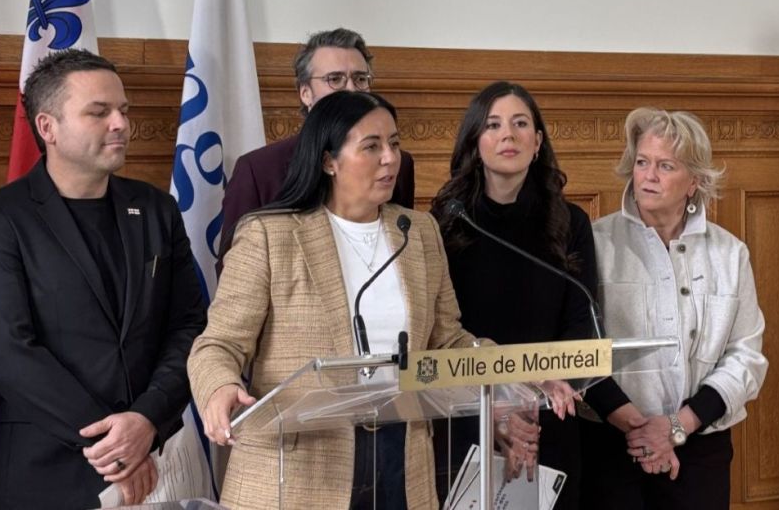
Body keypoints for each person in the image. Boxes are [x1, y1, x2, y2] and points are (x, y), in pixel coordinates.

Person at [188, 91, 481, 509]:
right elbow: (219, 344)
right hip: (297, 469)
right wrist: (220, 387)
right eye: (371, 146)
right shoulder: (269, 235)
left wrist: (517, 370)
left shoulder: (417, 232)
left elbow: (448, 340)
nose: (390, 158)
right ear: (329, 161)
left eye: (394, 144)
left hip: (402, 458)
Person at [0, 49, 206, 509]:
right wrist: (118, 448)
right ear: (47, 127)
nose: (119, 123)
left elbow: (189, 326)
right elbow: (10, 352)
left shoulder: (157, 209)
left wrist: (146, 421)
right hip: (39, 477)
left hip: (155, 464)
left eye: (123, 110)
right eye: (99, 112)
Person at [429, 81, 627, 509]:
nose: (508, 135)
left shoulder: (569, 221)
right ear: (474, 142)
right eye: (493, 124)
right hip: (469, 416)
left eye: (521, 124)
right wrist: (499, 397)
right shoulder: (444, 223)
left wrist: (556, 378)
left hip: (549, 412)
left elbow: (581, 322)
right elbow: (440, 333)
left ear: (537, 142)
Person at [582, 107, 768, 509]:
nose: (648, 175)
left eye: (665, 166)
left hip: (701, 449)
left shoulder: (729, 253)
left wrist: (676, 428)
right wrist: (642, 431)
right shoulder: (594, 243)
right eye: (642, 162)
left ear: (695, 181)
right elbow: (579, 348)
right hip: (610, 445)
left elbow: (746, 358)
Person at [218, 27, 415, 271]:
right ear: (305, 93)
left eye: (360, 79)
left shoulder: (398, 163)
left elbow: (402, 243)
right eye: (335, 79)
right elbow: (235, 269)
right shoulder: (258, 170)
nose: (351, 90)